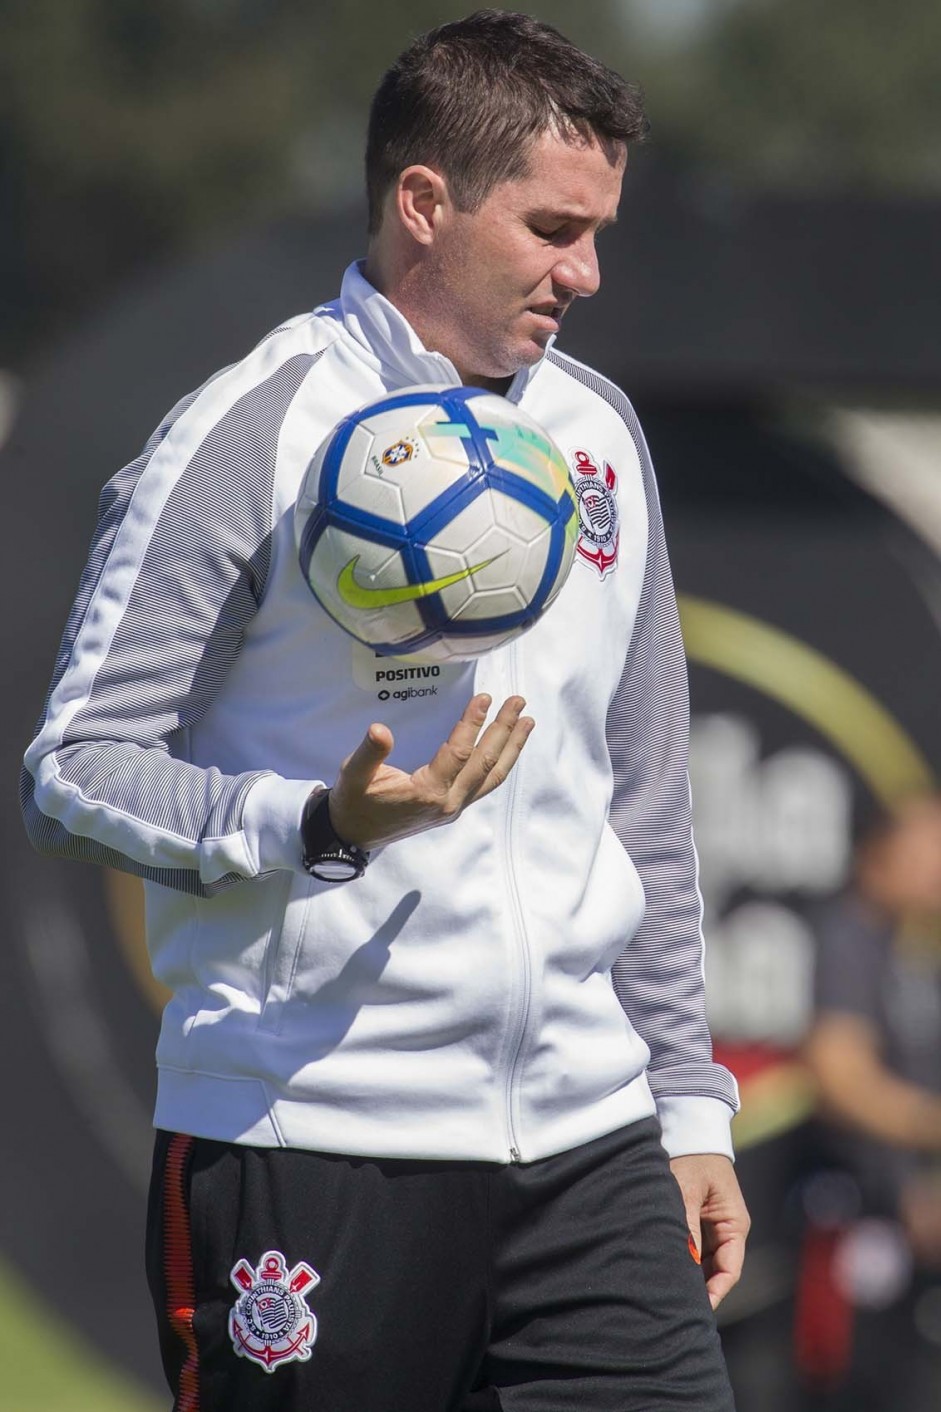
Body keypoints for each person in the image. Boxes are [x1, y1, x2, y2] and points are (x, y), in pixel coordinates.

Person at [22, 11, 749, 1410]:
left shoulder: (597, 434)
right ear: (425, 203)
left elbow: (644, 797)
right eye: (550, 228)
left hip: (591, 1153)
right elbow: (76, 767)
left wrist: (685, 1104)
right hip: (313, 1142)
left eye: (596, 230)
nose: (584, 272)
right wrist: (316, 822)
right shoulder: (252, 427)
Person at [801, 797, 941, 1410]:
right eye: (926, 848)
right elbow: (842, 1079)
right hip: (850, 1221)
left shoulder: (908, 948)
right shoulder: (848, 935)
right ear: (878, 855)